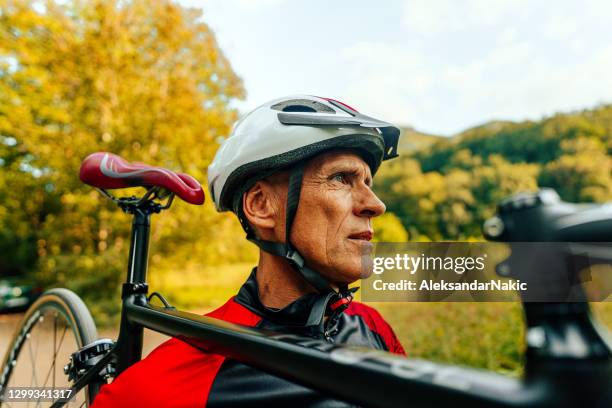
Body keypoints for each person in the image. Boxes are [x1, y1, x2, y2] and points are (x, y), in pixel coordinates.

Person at [92, 95, 405, 407]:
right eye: (341, 178)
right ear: (260, 205)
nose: (375, 205)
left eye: (367, 182)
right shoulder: (169, 385)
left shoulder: (373, 326)